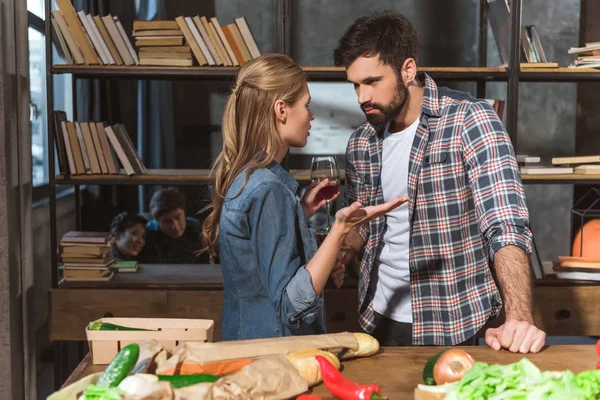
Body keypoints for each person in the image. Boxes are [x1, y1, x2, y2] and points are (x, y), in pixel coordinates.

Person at [333, 12, 546, 352]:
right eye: (355, 85)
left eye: (373, 81)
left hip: (456, 319)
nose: (362, 97)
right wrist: (344, 250)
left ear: (408, 70)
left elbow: (505, 224)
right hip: (378, 318)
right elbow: (363, 224)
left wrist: (518, 315)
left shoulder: (470, 120)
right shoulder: (361, 142)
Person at [201, 53, 407, 340]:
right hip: (272, 356)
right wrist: (339, 231)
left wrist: (301, 213)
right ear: (281, 109)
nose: (311, 115)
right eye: (306, 105)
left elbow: (261, 264)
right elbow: (291, 305)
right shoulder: (267, 189)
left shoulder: (252, 177)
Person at [145, 188, 203, 264]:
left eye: (178, 217)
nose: (175, 226)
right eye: (167, 221)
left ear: (184, 212)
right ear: (157, 222)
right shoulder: (149, 232)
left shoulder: (195, 227)